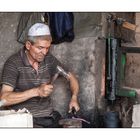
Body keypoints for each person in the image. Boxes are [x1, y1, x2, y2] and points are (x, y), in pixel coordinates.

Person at [0, 23, 80, 128]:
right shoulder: (13, 63)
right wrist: (36, 91)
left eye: (47, 48)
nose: (44, 52)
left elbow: (71, 77)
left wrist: (74, 97)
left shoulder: (49, 59)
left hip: (48, 117)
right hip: (24, 120)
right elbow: (3, 99)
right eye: (40, 48)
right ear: (28, 45)